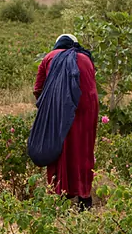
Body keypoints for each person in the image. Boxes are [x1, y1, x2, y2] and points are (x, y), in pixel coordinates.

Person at [32, 34, 98, 210]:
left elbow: (38, 89)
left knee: (60, 148)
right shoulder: (86, 58)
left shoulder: (49, 57)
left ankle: (60, 195)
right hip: (87, 109)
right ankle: (84, 197)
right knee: (83, 149)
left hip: (59, 109)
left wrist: (48, 110)